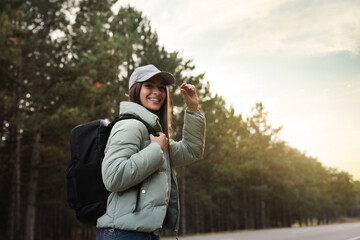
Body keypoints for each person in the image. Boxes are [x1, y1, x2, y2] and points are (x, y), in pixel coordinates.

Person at [96, 64, 206, 240]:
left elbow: (191, 151)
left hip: (143, 233)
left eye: (161, 88)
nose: (157, 92)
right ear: (136, 90)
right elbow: (113, 176)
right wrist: (155, 150)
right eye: (149, 85)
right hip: (124, 234)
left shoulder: (153, 133)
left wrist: (193, 110)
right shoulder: (130, 126)